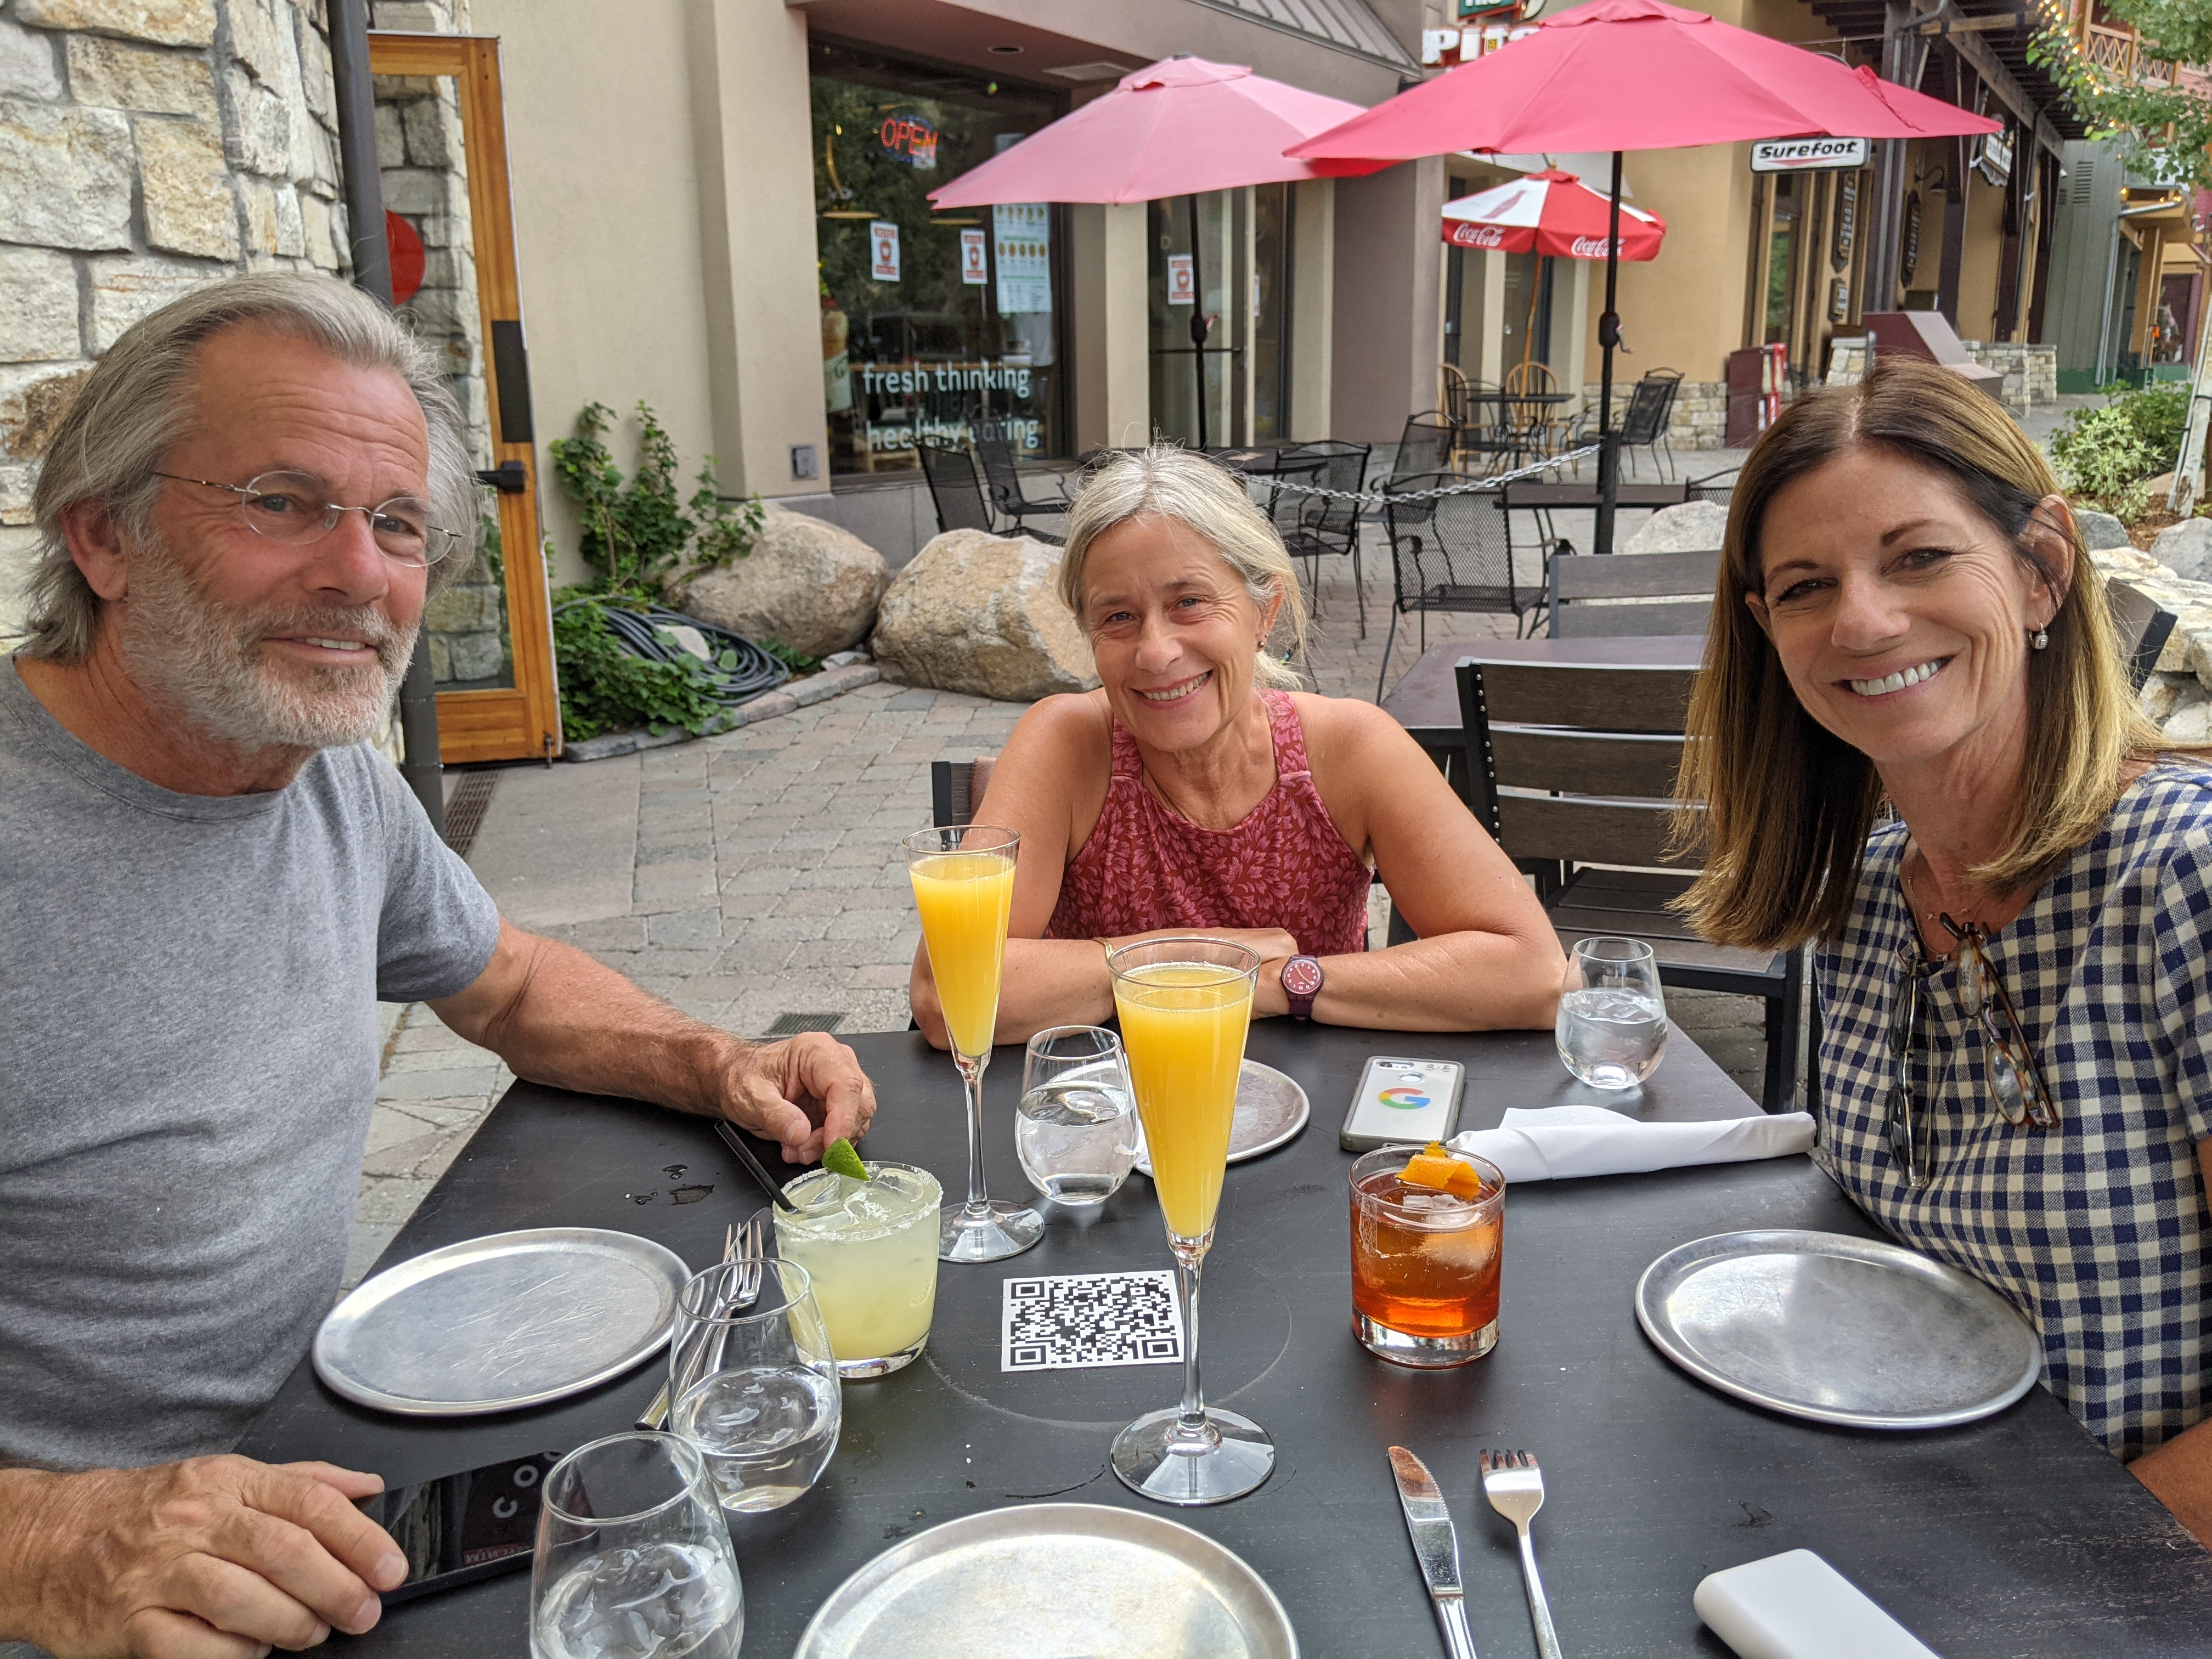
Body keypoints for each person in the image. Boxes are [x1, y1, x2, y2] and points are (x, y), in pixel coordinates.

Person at [0, 274, 877, 1657]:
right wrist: (52, 1544)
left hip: (336, 1475)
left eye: (397, 522)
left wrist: (717, 1064)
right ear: (103, 536)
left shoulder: (326, 782)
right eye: (281, 502)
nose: (359, 574)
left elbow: (507, 984)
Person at [1675, 356, 2212, 1544]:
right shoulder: (1872, 894)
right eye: (1807, 586)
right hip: (1897, 1514)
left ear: (2042, 569)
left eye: (1919, 557)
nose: (1863, 621)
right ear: (1768, 630)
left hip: (2119, 1574)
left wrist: (2056, 1580)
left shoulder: (2184, 875)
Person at [910, 444, 1564, 1047]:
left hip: (1314, 1115)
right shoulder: (1068, 745)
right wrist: (1198, 957)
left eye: (1190, 602)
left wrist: (1282, 983)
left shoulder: (1347, 750)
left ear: (1264, 612)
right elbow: (945, 994)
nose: (1156, 651)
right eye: (1118, 617)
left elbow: (1536, 973)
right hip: (1107, 1117)